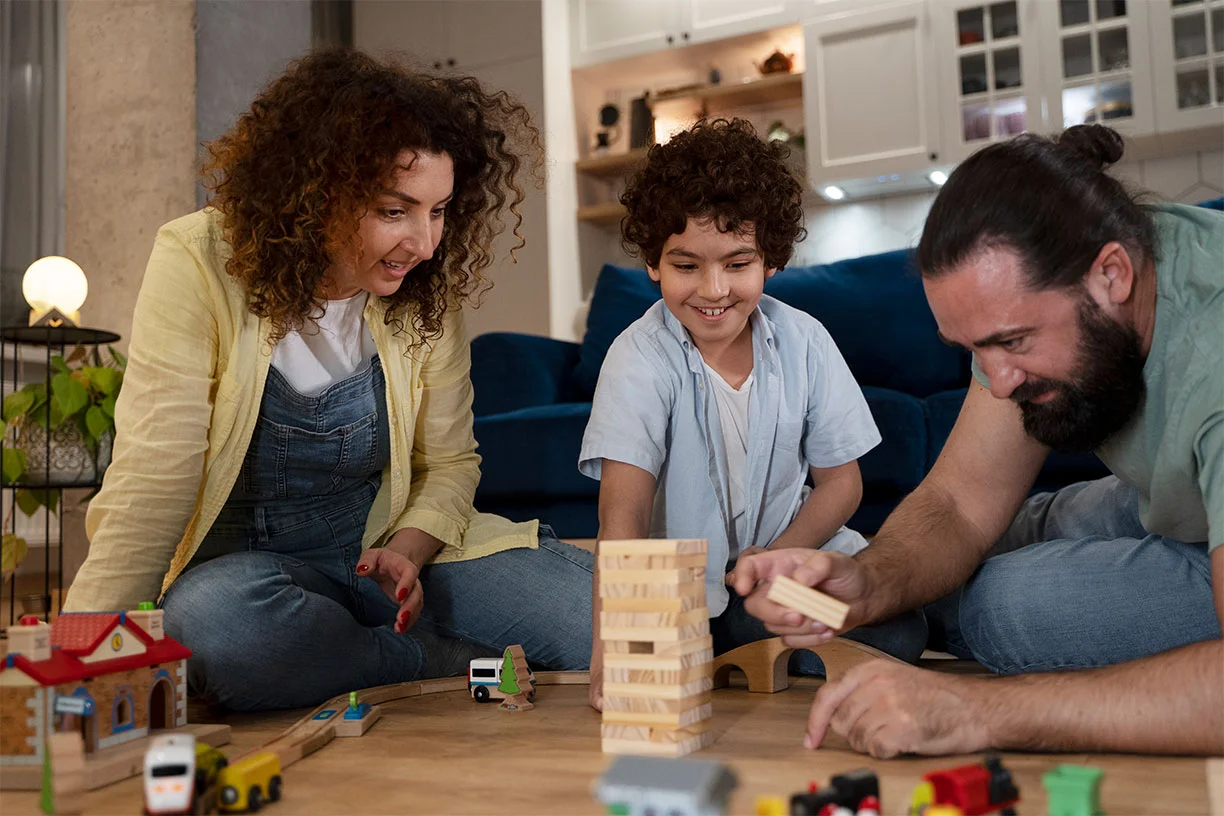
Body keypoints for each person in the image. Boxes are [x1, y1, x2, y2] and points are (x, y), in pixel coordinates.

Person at [63, 50, 593, 711]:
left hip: (387, 557)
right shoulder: (197, 260)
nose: (425, 244)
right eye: (396, 211)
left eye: (439, 210)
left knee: (596, 617)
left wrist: (406, 549)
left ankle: (352, 648)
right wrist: (77, 647)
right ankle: (428, 661)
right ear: (318, 195)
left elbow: (451, 462)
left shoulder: (426, 293)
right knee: (216, 628)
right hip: (248, 573)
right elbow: (157, 470)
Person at [732, 124, 1223, 757]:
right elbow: (962, 500)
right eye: (974, 350)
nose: (997, 382)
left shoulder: (1212, 356)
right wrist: (869, 580)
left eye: (1014, 343)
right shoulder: (1064, 271)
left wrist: (976, 711)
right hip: (1181, 497)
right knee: (983, 543)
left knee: (1003, 605)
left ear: (1113, 275)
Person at [579, 119, 927, 709]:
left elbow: (842, 483)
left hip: (784, 575)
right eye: (687, 265)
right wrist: (611, 644)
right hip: (686, 591)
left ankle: (752, 636)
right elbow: (623, 511)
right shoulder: (638, 356)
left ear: (771, 261)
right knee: (700, 636)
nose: (713, 290)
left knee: (901, 632)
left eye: (737, 265)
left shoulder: (805, 340)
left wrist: (777, 557)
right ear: (654, 266)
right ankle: (729, 639)